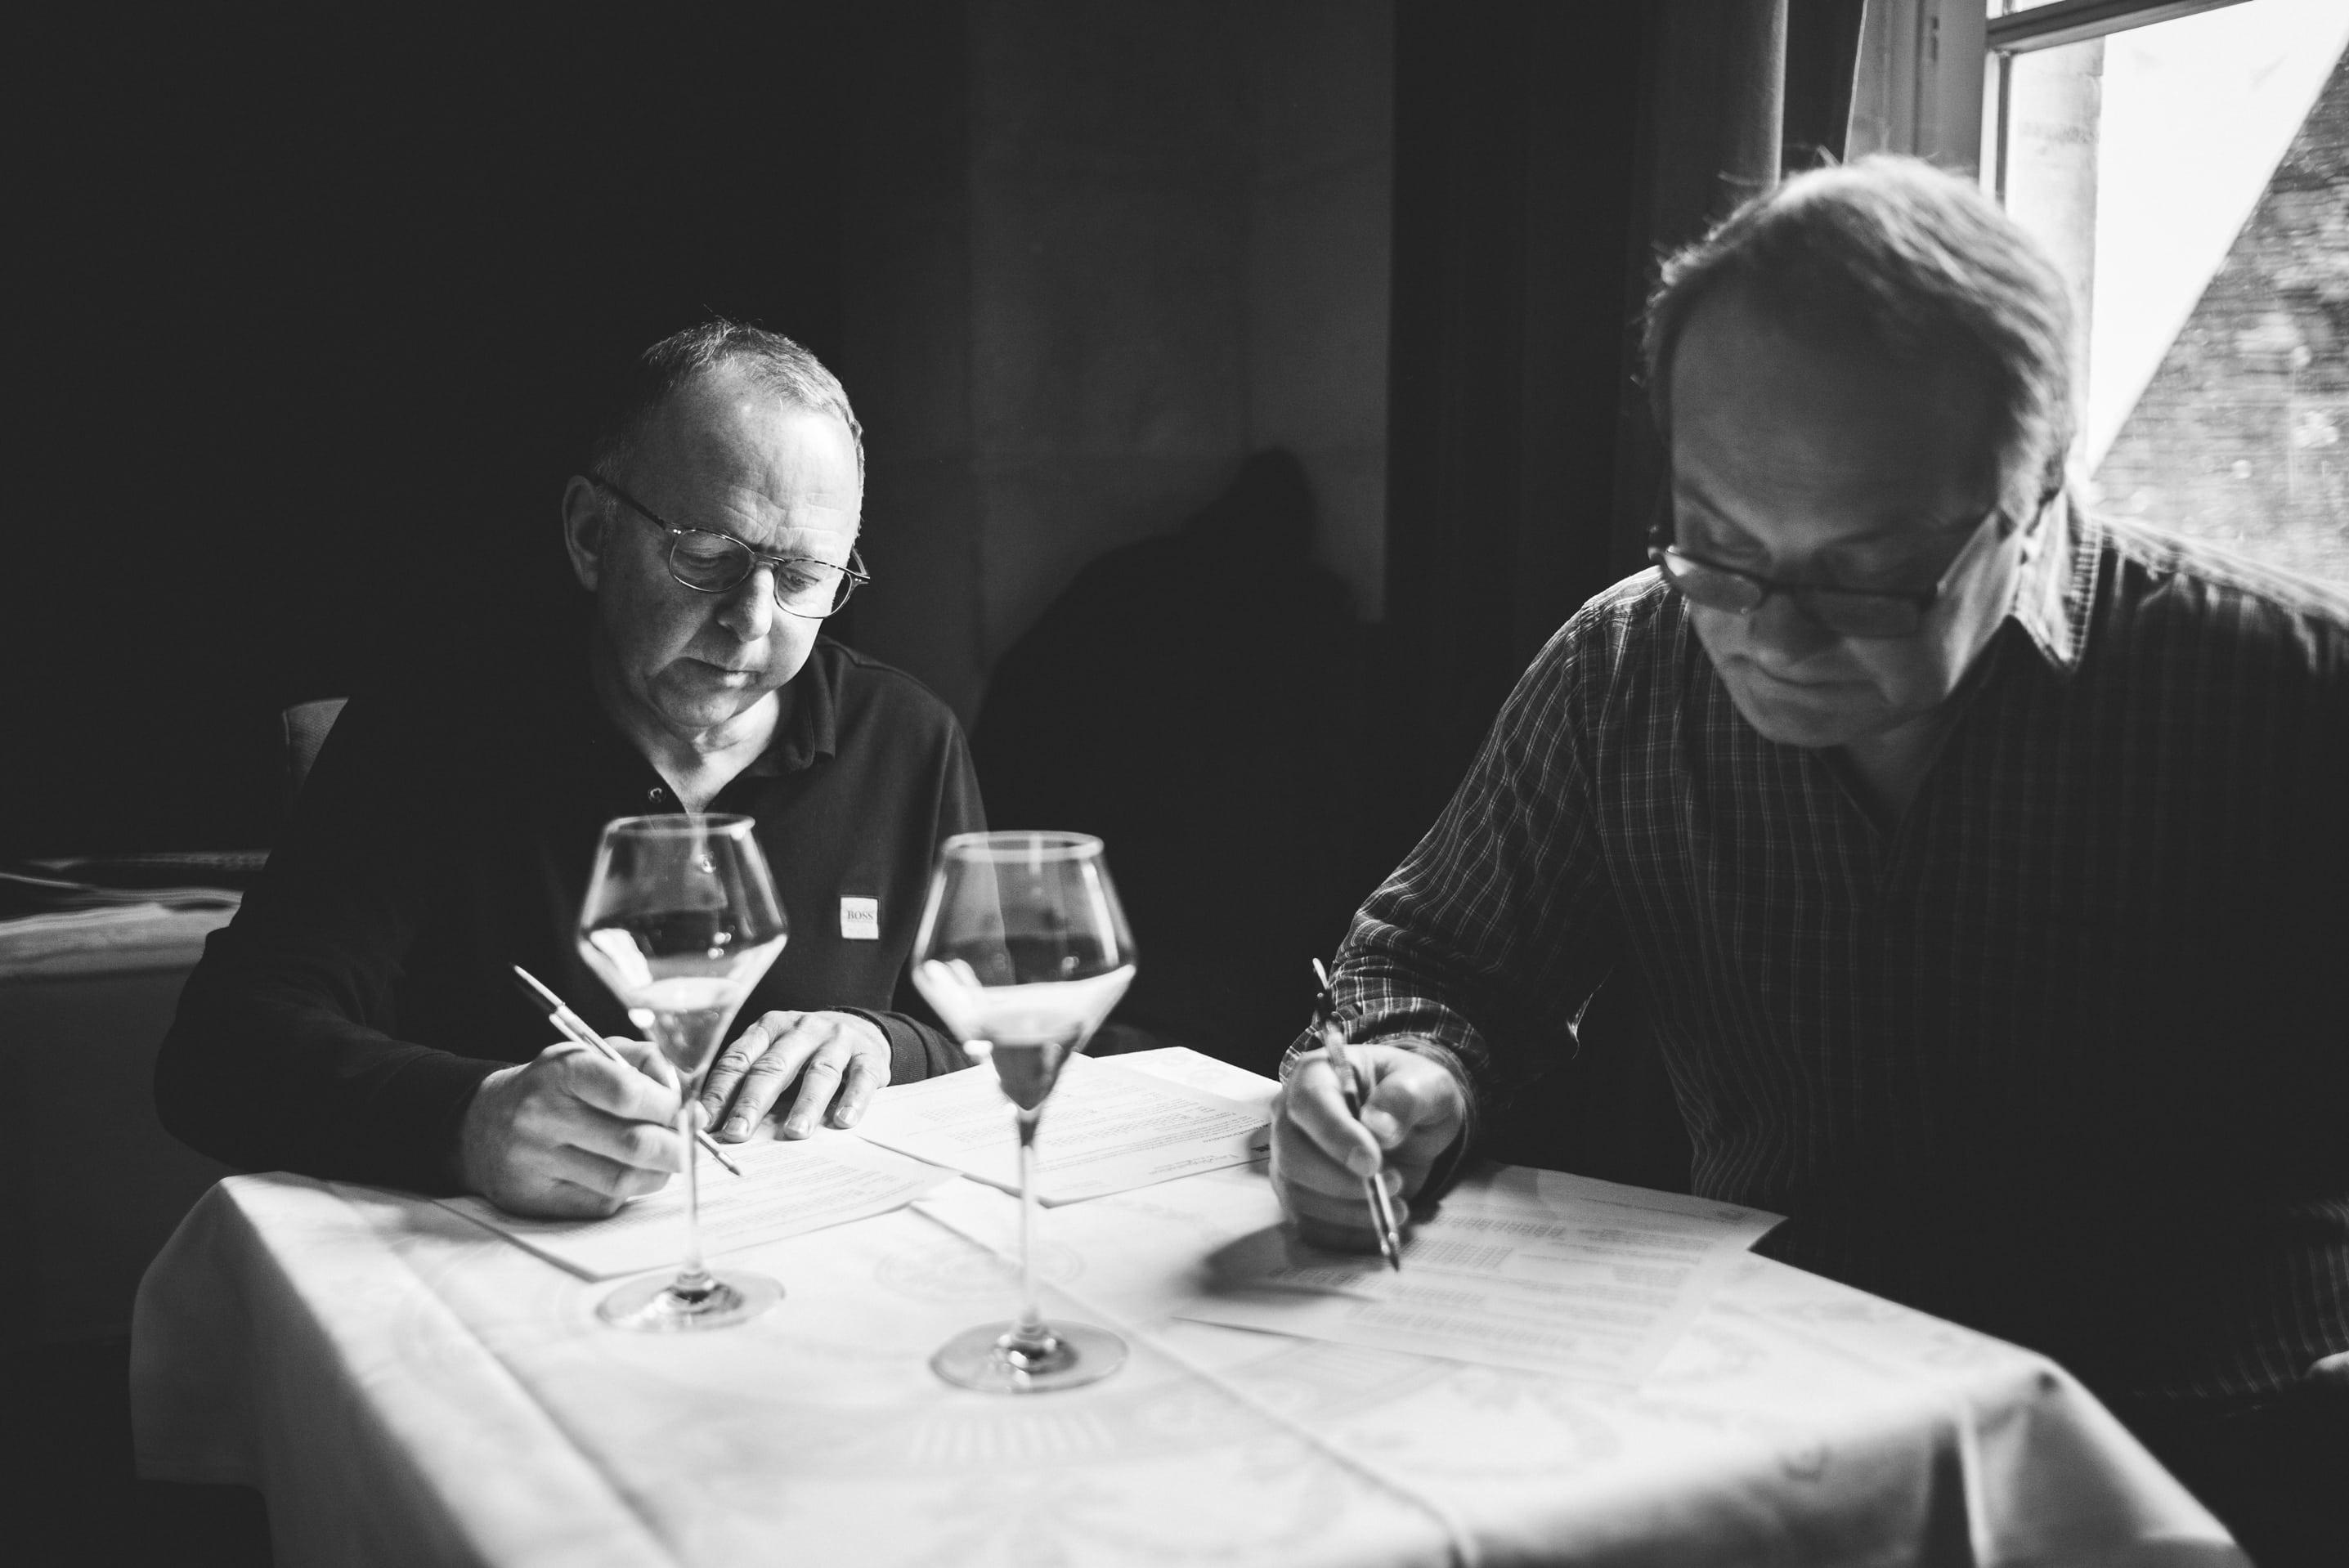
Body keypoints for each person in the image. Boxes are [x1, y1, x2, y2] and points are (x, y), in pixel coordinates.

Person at [1269, 158, 2347, 1561]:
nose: (1770, 637)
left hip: (2207, 1456)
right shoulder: (1624, 666)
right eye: (1717, 545)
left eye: (1863, 573)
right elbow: (1438, 959)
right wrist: (1409, 1070)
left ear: (2035, 486)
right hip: (1771, 1427)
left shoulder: (2289, 693)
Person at [159, 321, 984, 1220]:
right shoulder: (433, 731)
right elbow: (218, 1052)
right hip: (495, 1269)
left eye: (802, 576)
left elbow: (990, 1028)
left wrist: (886, 1041)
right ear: (591, 534)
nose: (752, 621)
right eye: (708, 557)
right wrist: (467, 1119)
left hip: (816, 1255)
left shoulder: (905, 738)